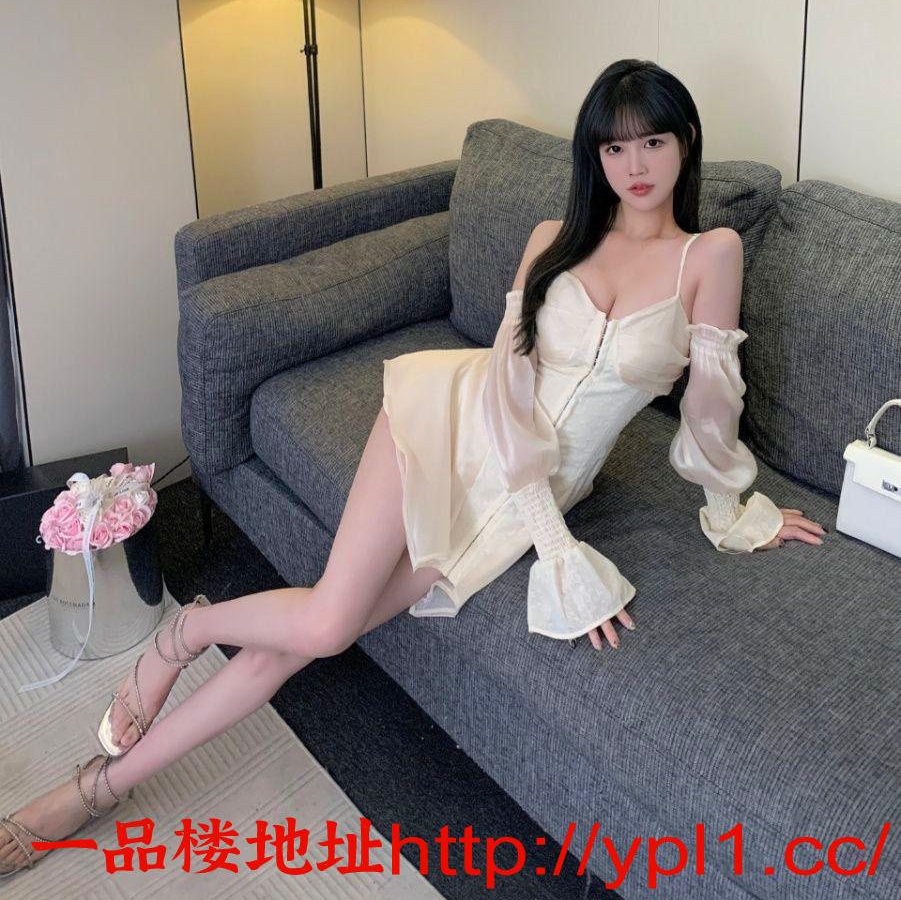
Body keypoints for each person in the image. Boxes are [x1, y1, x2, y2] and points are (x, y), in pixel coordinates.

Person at [0, 58, 826, 876]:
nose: (634, 165)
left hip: (517, 496)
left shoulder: (710, 254)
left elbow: (711, 404)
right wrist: (556, 544)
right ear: (593, 156)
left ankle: (101, 780)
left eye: (651, 142)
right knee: (328, 625)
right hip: (452, 420)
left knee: (307, 638)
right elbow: (504, 383)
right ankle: (179, 643)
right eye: (613, 147)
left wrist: (733, 511)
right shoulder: (554, 239)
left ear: (686, 142)